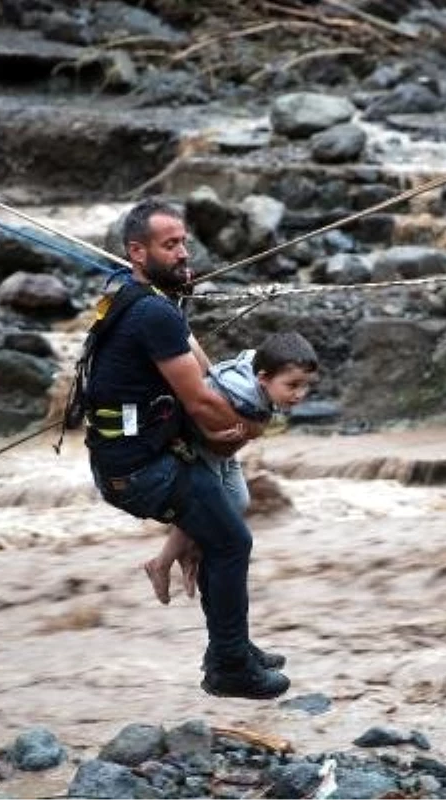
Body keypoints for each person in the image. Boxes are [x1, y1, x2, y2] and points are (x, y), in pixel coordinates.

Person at [84, 198, 289, 700]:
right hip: (139, 471)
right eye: (169, 245)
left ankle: (230, 647)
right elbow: (199, 401)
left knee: (224, 518)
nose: (182, 253)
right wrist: (253, 426)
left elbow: (193, 352)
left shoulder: (138, 296)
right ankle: (229, 667)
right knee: (230, 541)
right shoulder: (153, 311)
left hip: (129, 459)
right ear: (137, 251)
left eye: (183, 243)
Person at [142, 332, 319, 606]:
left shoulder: (260, 373)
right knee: (210, 509)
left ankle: (190, 552)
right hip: (202, 449)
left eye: (305, 386)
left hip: (223, 452)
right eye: (293, 385)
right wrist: (210, 435)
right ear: (262, 378)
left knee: (238, 501)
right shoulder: (241, 392)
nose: (300, 394)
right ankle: (162, 563)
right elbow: (192, 403)